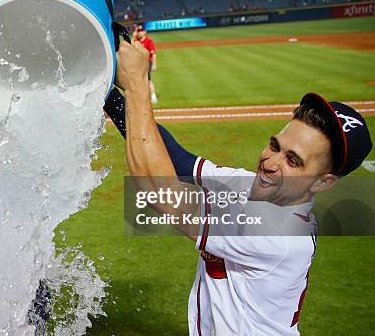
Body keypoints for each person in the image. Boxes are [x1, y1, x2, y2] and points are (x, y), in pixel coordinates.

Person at [111, 41, 372, 335]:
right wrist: (111, 96)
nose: (270, 162)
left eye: (293, 161)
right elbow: (181, 162)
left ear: (323, 182)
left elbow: (162, 192)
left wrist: (135, 86)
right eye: (275, 145)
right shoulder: (256, 187)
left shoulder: (277, 233)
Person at [133, 25, 158, 104]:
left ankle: (153, 97)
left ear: (145, 32)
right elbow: (129, 45)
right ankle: (143, 97)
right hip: (138, 63)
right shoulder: (137, 41)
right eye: (138, 31)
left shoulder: (149, 41)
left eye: (141, 31)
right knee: (139, 81)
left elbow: (153, 53)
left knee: (148, 79)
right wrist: (134, 36)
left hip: (147, 62)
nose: (140, 33)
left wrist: (154, 64)